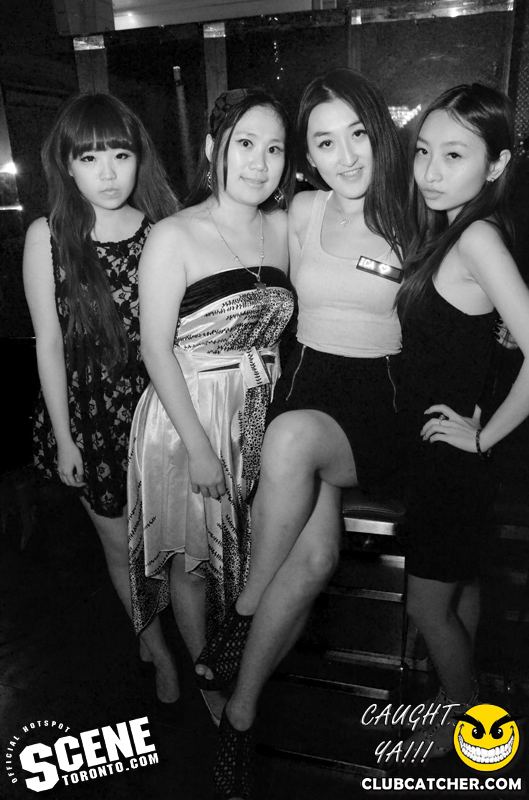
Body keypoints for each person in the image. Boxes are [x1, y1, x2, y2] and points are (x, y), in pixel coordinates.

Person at [194, 68, 409, 799]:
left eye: (357, 134)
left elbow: (455, 316)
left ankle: (239, 614)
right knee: (312, 561)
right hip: (303, 388)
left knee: (288, 440)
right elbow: (240, 260)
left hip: (376, 407)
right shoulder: (303, 211)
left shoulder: (417, 216)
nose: (344, 156)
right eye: (323, 142)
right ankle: (241, 717)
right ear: (307, 157)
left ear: (379, 133)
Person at [127, 88, 294, 727]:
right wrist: (198, 448)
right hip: (188, 416)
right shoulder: (175, 234)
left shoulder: (283, 227)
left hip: (261, 413)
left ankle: (239, 660)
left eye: (274, 148)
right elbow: (155, 348)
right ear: (211, 149)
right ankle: (207, 679)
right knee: (194, 561)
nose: (259, 162)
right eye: (244, 144)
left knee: (251, 555)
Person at [23, 92, 180, 703]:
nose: (108, 173)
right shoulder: (49, 235)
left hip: (156, 409)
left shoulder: (163, 232)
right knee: (121, 548)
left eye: (120, 154)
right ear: (67, 165)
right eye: (90, 158)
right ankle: (159, 653)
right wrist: (65, 437)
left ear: (139, 158)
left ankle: (158, 632)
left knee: (166, 547)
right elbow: (48, 343)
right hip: (87, 413)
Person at [395, 83, 529, 758]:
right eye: (424, 151)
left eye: (454, 154)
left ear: (497, 163)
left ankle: (464, 717)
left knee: (426, 605)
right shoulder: (455, 229)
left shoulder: (476, 235)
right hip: (445, 456)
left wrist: (483, 437)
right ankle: (462, 700)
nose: (430, 170)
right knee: (458, 589)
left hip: (454, 459)